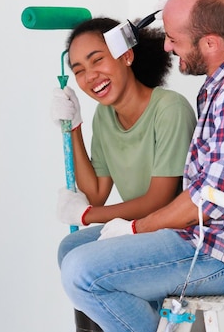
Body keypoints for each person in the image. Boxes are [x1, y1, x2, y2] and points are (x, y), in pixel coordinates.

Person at [58, 0, 224, 332]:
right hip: (199, 234)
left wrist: (134, 228)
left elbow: (209, 201)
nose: (168, 47)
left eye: (175, 38)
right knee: (71, 249)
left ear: (211, 42)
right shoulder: (223, 83)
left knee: (82, 272)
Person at [51, 17, 197, 331]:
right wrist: (73, 127)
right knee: (70, 249)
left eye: (97, 60)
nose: (90, 76)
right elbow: (96, 192)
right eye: (78, 70)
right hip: (141, 230)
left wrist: (88, 215)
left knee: (81, 267)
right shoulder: (105, 117)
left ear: (126, 55)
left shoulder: (169, 110)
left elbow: (159, 201)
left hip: (175, 232)